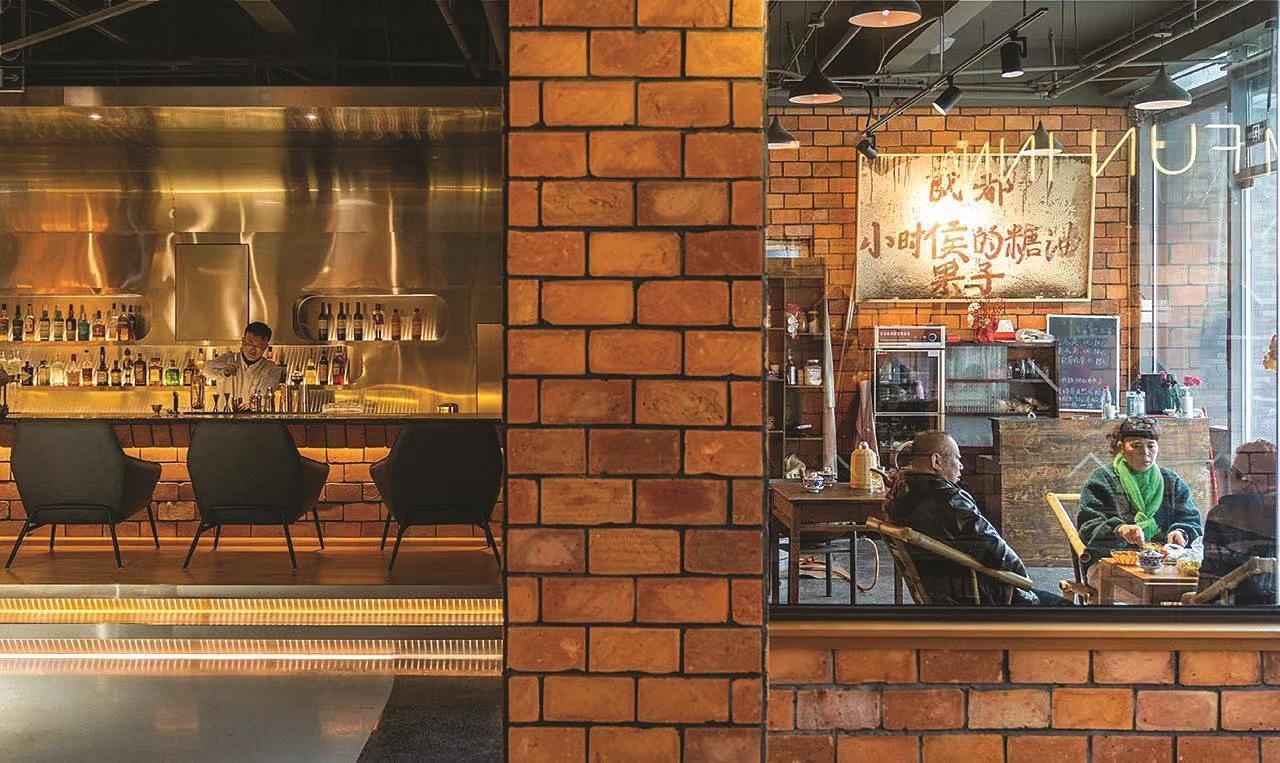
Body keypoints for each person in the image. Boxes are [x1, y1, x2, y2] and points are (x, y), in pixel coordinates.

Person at [886, 431, 1069, 605]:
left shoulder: (899, 494)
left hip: (942, 594)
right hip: (978, 598)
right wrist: (1023, 580)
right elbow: (994, 549)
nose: (961, 466)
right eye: (957, 458)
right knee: (1065, 608)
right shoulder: (949, 500)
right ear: (936, 461)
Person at [1077, 417, 1203, 590]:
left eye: (1151, 446)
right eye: (1136, 446)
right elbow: (1088, 526)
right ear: (1121, 447)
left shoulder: (1171, 481)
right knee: (1141, 590)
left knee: (1194, 587)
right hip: (1109, 563)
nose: (1145, 453)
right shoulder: (1102, 480)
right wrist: (1119, 529)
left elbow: (1191, 519)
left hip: (1163, 565)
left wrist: (1181, 532)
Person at [1197, 440, 1277, 605]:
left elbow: (1208, 588)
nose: (1245, 486)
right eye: (1238, 476)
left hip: (1238, 615)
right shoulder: (1223, 517)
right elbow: (1210, 585)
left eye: (1257, 479)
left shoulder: (1223, 517)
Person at [203, 322, 284, 411]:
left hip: (255, 418)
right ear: (243, 341)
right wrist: (224, 372)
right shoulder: (229, 359)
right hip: (224, 416)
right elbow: (206, 370)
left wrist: (253, 404)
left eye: (259, 345)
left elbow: (266, 394)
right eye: (250, 343)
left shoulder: (271, 369)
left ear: (266, 347)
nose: (253, 348)